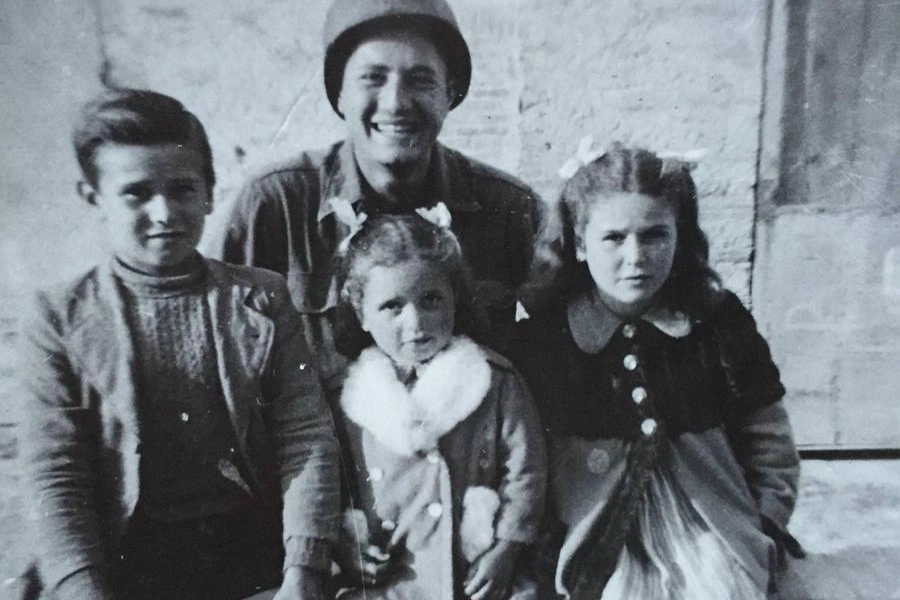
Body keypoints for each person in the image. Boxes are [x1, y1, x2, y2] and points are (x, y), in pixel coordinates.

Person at [18, 89, 339, 600]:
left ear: (211, 192)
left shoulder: (262, 296)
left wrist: (304, 570)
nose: (164, 211)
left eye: (183, 189)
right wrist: (83, 588)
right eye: (137, 193)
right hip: (125, 561)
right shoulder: (58, 317)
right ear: (93, 196)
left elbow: (305, 434)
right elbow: (56, 476)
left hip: (252, 552)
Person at [511, 144, 802, 600]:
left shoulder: (716, 322)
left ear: (679, 237)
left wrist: (764, 519)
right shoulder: (547, 339)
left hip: (706, 527)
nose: (636, 256)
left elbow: (766, 434)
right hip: (592, 536)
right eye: (614, 238)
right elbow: (525, 453)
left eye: (654, 235)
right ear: (580, 244)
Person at [209, 0, 542, 387]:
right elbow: (209, 343)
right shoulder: (274, 205)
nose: (396, 102)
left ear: (449, 94)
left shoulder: (508, 209)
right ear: (339, 96)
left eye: (421, 79)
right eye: (372, 78)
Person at [328, 209, 546, 600]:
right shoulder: (349, 395)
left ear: (455, 299)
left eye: (430, 300)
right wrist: (344, 540)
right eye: (392, 307)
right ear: (361, 312)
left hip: (475, 571)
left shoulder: (493, 380)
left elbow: (525, 470)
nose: (415, 323)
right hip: (389, 578)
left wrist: (507, 549)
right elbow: (329, 479)